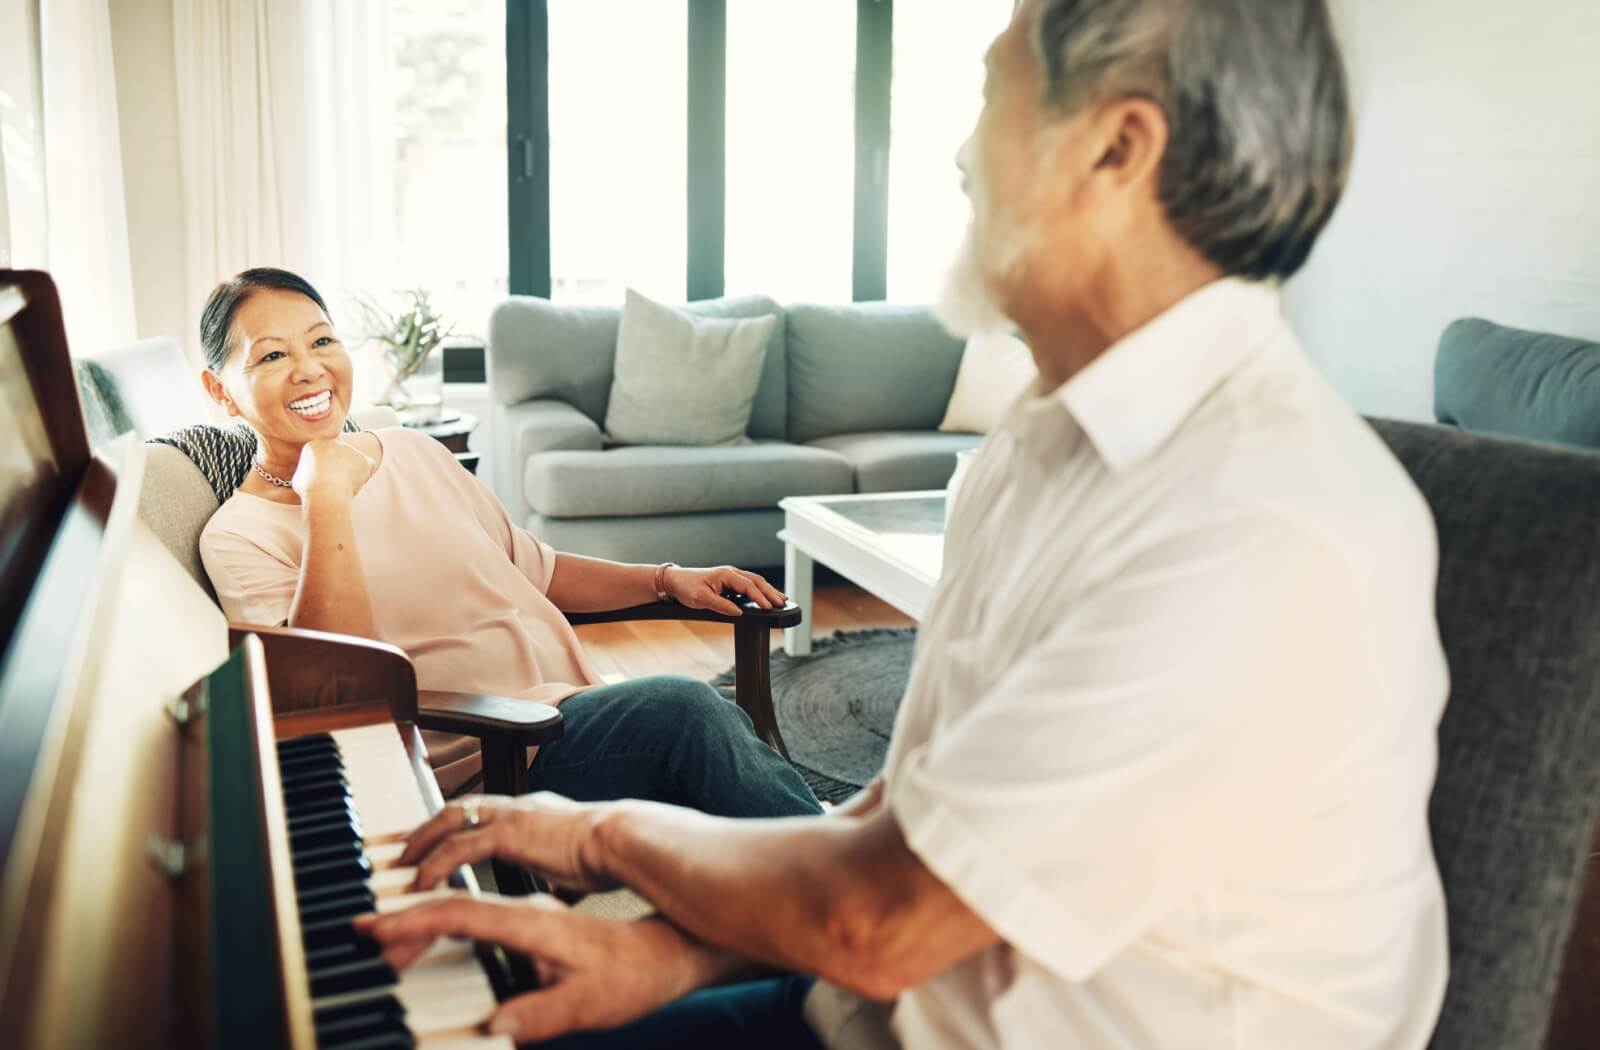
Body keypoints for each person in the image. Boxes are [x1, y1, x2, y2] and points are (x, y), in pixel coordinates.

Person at [359, 1, 1452, 1048]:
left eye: (991, 92)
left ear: (1117, 148)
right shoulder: (1037, 442)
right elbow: (899, 817)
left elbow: (880, 918)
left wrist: (603, 834)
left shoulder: (1255, 525)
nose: (962, 155)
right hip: (864, 1010)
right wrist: (670, 955)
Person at [196, 267, 820, 818]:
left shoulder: (413, 451)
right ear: (220, 390)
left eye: (322, 340)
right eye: (271, 356)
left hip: (572, 715)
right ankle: (854, 896)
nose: (310, 369)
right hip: (490, 763)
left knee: (713, 753)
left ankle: (819, 884)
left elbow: (536, 569)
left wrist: (667, 578)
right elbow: (336, 691)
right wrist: (325, 496)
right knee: (688, 711)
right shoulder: (238, 538)